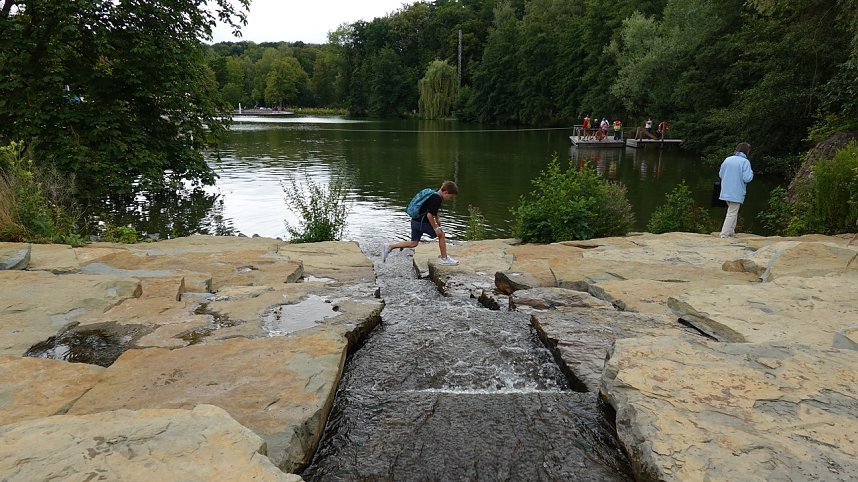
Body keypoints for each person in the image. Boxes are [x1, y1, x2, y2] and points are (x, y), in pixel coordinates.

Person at [383, 181, 459, 265]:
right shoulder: (437, 199)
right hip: (423, 223)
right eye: (451, 197)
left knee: (413, 243)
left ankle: (390, 246)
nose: (450, 199)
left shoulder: (433, 193)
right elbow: (429, 215)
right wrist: (436, 228)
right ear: (446, 192)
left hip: (415, 221)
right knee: (441, 235)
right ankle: (444, 259)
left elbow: (432, 209)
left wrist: (437, 219)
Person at [718, 143, 754, 238]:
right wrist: (751, 173)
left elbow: (721, 174)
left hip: (725, 190)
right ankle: (724, 234)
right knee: (732, 213)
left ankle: (731, 231)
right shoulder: (745, 162)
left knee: (733, 211)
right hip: (736, 191)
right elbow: (747, 178)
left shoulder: (727, 159)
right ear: (746, 151)